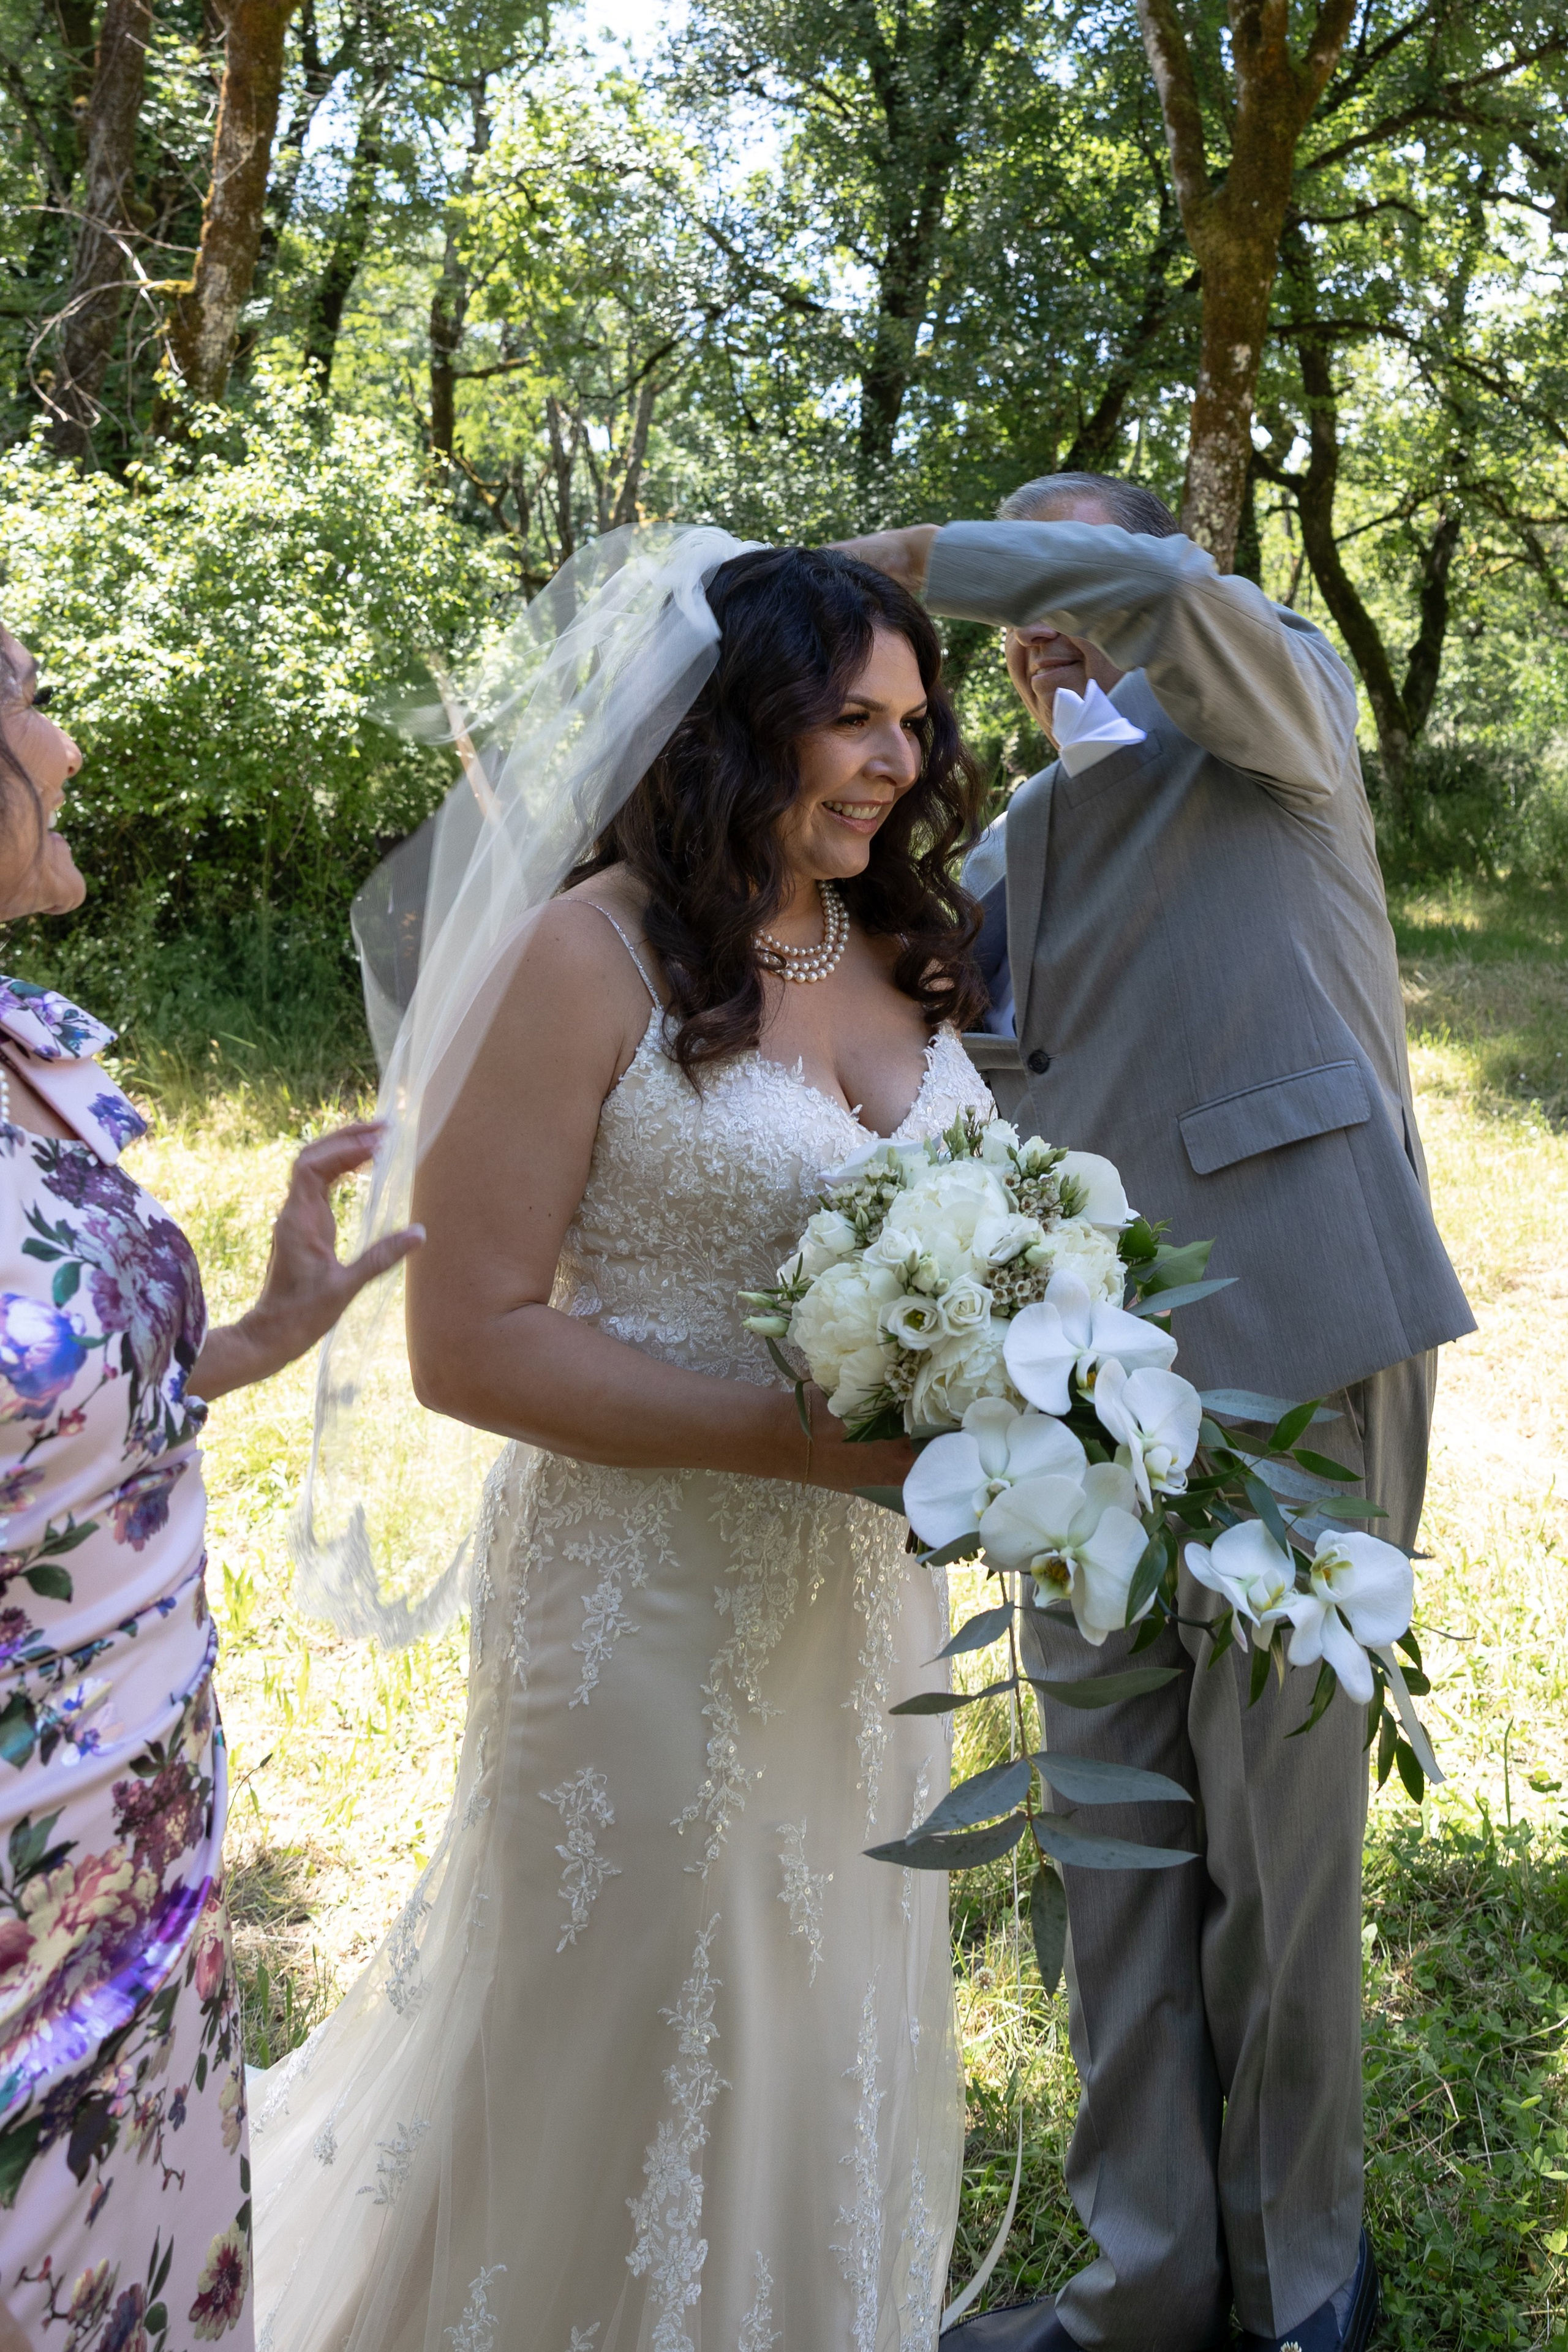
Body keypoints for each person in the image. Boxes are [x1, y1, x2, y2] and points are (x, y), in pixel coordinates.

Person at [250, 540, 991, 2351]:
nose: (894, 762)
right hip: (641, 1610)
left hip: (860, 1618)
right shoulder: (584, 956)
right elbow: (469, 1340)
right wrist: (794, 1446)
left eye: (913, 723)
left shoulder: (898, 945)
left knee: (824, 2021)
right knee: (636, 2033)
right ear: (736, 722)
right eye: (851, 719)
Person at [839, 479, 1474, 2352]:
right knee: (1113, 1843)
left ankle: (1300, 2291)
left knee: (1278, 1859)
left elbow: (1171, 600)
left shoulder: (1276, 723)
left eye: (1066, 574)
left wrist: (917, 569)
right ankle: (1146, 2285)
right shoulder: (1007, 850)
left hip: (1300, 1344)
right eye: (1017, 610)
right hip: (1073, 1421)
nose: (1044, 634)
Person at [0, 628, 423, 2352]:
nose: (65, 746)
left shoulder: (22, 1048)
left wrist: (255, 1334)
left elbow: (70, 1419)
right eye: (27, 703)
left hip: (146, 1852)